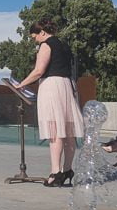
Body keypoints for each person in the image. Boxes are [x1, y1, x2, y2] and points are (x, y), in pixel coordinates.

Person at [15, 19, 83, 187]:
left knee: (55, 131)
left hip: (53, 86)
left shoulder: (46, 45)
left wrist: (21, 84)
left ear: (42, 32)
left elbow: (39, 71)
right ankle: (67, 169)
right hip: (67, 85)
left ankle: (55, 173)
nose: (35, 40)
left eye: (34, 37)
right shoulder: (64, 45)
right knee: (68, 131)